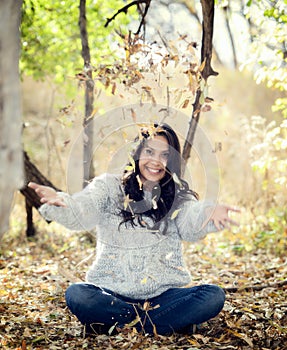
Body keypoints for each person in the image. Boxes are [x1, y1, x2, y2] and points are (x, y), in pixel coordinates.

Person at [28, 123, 239, 336]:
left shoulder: (176, 198)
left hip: (162, 296)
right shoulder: (109, 188)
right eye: (149, 151)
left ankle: (119, 325)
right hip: (112, 294)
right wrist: (62, 202)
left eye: (165, 155)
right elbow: (83, 211)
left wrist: (206, 214)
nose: (156, 161)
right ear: (137, 154)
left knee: (212, 296)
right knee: (77, 294)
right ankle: (163, 324)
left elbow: (190, 225)